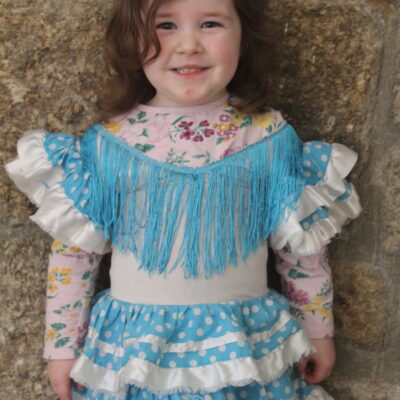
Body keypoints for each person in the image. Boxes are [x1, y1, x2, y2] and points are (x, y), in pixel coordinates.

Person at [6, 0, 362, 399]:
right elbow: (74, 255)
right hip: (135, 349)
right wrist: (62, 349)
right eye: (165, 25)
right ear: (132, 41)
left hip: (243, 346)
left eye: (210, 24)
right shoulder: (108, 144)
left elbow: (301, 247)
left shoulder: (268, 139)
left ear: (244, 36)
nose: (188, 45)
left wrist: (317, 331)